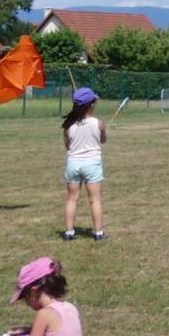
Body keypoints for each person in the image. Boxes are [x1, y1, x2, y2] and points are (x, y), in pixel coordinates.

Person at [60, 86, 107, 241]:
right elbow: (103, 140)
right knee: (95, 199)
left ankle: (69, 232)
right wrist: (103, 130)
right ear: (91, 105)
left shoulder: (68, 125)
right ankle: (98, 233)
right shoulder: (98, 123)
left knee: (72, 199)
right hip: (92, 164)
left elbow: (68, 146)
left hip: (73, 164)